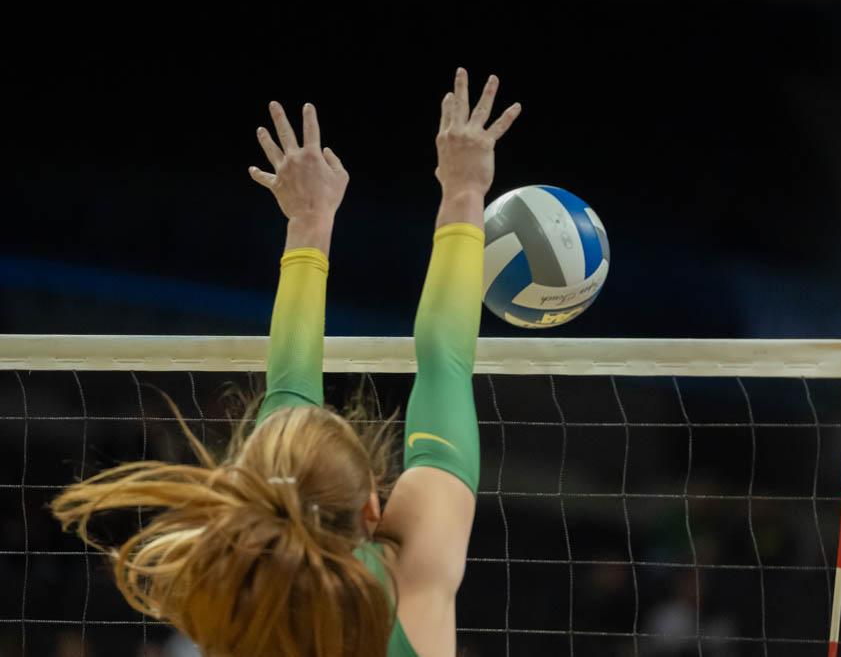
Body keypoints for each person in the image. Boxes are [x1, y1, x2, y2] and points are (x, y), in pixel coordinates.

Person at [50, 67, 521, 657]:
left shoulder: (231, 602)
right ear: (374, 511)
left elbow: (323, 389)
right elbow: (439, 364)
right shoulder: (408, 582)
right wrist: (463, 189)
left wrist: (311, 221)